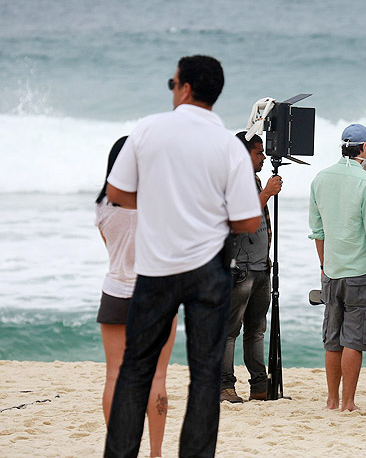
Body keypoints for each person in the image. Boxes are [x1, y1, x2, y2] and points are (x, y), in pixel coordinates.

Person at [104, 55, 261, 457]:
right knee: (205, 376)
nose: (171, 89)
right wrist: (207, 212)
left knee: (135, 372)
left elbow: (118, 195)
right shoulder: (229, 144)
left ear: (185, 87)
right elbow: (247, 221)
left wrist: (159, 202)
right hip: (208, 270)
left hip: (156, 269)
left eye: (172, 82)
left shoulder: (148, 129)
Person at [95, 137, 177, 458]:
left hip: (115, 292)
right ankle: (156, 453)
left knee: (115, 374)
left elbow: (112, 251)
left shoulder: (102, 208)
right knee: (156, 375)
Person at [309, 123, 366, 412]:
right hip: (361, 272)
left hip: (332, 271)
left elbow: (318, 232)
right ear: (365, 148)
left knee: (333, 338)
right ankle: (348, 402)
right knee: (353, 339)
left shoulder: (320, 179)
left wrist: (323, 266)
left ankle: (331, 400)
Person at [220, 132, 282, 403]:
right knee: (230, 331)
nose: (264, 157)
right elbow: (239, 215)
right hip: (241, 267)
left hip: (259, 266)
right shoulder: (231, 180)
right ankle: (225, 386)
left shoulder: (253, 179)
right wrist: (267, 193)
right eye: (259, 153)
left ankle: (259, 386)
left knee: (256, 329)